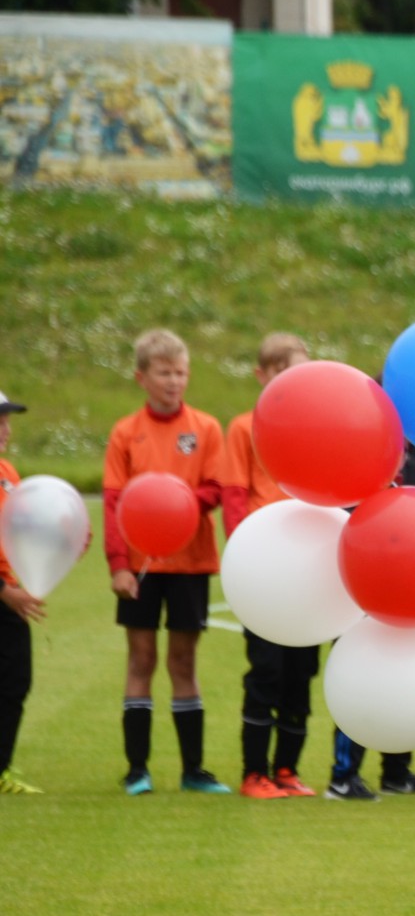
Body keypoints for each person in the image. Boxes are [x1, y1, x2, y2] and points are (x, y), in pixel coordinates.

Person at [103, 329, 230, 796]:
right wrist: (119, 564)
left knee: (183, 660)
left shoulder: (206, 428)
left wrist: (174, 503)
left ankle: (193, 770)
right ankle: (137, 770)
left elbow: (216, 488)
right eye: (164, 373)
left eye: (180, 372)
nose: (174, 381)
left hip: (190, 563)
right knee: (141, 658)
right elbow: (113, 502)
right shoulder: (125, 432)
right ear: (142, 377)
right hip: (140, 566)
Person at [221, 333, 320, 799]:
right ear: (262, 375)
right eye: (281, 371)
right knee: (267, 670)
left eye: (299, 371)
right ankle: (253, 772)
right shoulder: (244, 428)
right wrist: (245, 558)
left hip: (309, 572)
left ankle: (287, 769)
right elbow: (234, 496)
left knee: (301, 673)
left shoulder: (318, 427)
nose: (291, 380)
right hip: (265, 572)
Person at [326, 441, 415, 801]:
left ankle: (396, 772)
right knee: (360, 683)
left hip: (405, 597)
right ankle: (343, 777)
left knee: (403, 681)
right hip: (361, 599)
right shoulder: (355, 482)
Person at [0, 390, 44, 794]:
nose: (5, 430)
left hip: (8, 594)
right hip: (3, 593)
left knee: (15, 681)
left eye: (6, 421)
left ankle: (1, 770)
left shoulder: (8, 473)